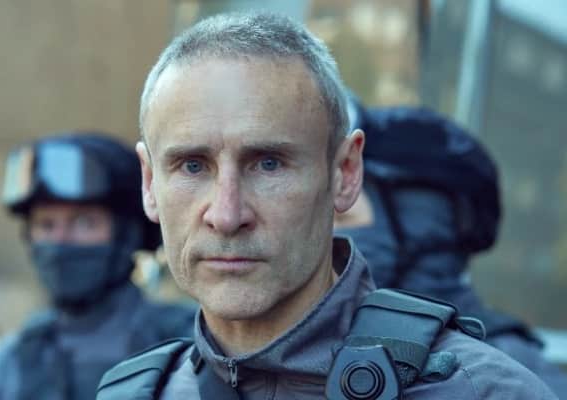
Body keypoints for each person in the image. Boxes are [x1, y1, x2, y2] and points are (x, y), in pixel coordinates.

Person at [96, 12, 557, 399]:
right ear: (150, 183)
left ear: (345, 173)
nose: (227, 215)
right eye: (193, 166)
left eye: (269, 164)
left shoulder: (483, 391)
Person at [334, 101, 567, 397]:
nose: (329, 233)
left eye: (344, 217)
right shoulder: (328, 342)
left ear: (421, 225)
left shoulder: (508, 375)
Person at [0, 132, 196, 400]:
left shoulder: (193, 348)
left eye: (83, 223)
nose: (60, 241)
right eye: (46, 225)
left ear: (128, 235)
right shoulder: (4, 370)